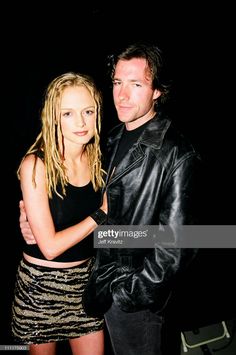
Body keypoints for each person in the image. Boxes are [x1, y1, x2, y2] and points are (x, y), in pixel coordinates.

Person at [19, 43, 203, 355]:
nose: (123, 95)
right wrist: (32, 219)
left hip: (132, 297)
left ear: (157, 90)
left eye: (137, 84)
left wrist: (130, 294)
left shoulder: (177, 154)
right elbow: (88, 208)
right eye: (118, 83)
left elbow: (181, 242)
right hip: (93, 286)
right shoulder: (107, 142)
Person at [12, 72, 108, 355]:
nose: (80, 122)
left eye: (88, 111)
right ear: (53, 117)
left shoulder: (102, 160)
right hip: (40, 288)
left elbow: (112, 232)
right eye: (68, 113)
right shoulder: (35, 165)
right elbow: (51, 248)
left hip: (85, 286)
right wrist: (101, 214)